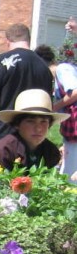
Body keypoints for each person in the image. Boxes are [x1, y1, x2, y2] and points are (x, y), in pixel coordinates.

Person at [0, 23, 53, 170]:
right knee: (22, 185)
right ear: (29, 39)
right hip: (28, 138)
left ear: (7, 41)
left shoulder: (3, 61)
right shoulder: (43, 67)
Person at [0, 89, 68, 172]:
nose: (38, 128)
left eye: (43, 122)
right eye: (30, 121)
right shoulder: (2, 152)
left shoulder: (51, 151)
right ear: (17, 124)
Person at [53, 34, 77, 183]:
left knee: (71, 175)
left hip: (74, 123)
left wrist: (54, 107)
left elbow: (75, 91)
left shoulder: (63, 68)